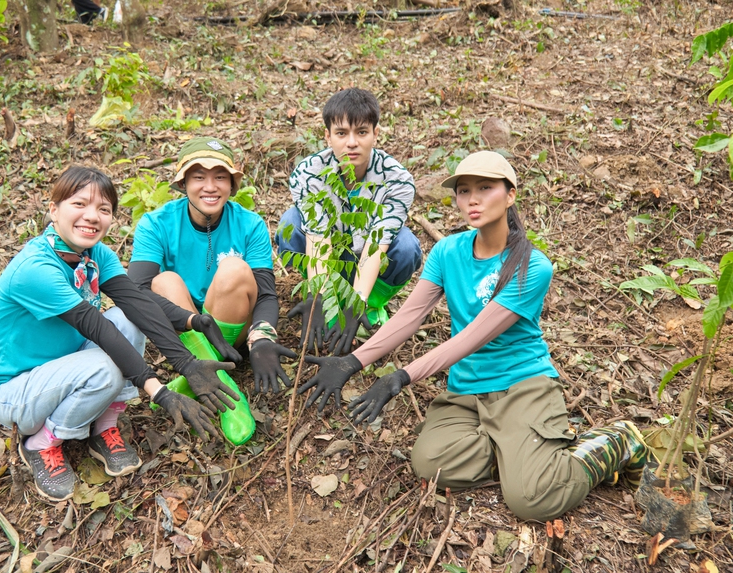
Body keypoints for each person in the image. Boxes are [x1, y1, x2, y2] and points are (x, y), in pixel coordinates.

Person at [297, 151, 653, 522]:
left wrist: (401, 376)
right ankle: (519, 452)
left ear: (510, 194)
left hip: (521, 386)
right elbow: (409, 317)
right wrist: (352, 362)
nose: (473, 199)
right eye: (464, 191)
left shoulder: (532, 267)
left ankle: (617, 439)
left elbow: (470, 339)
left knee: (532, 500)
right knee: (430, 464)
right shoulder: (448, 251)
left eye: (485, 188)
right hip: (466, 393)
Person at [0, 166, 241, 502]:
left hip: (69, 368)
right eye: (80, 204)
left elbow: (138, 302)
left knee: (128, 318)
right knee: (105, 366)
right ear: (53, 209)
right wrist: (159, 392)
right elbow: (97, 328)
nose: (92, 217)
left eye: (103, 210)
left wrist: (194, 329)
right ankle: (41, 442)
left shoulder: (94, 254)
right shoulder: (36, 269)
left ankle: (103, 424)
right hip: (17, 393)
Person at [129, 137, 296, 397]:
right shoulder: (156, 223)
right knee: (164, 281)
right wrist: (194, 320)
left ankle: (206, 369)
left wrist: (262, 338)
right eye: (198, 177)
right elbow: (136, 291)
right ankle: (202, 367)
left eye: (220, 177)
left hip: (232, 327)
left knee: (234, 268)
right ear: (183, 184)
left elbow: (265, 293)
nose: (210, 187)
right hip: (186, 329)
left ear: (231, 184)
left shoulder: (249, 224)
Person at [275, 87, 422, 355]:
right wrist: (318, 297)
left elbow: (379, 243)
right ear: (328, 136)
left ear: (376, 134)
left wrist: (357, 302)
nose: (351, 143)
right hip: (328, 258)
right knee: (290, 225)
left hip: (371, 260)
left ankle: (371, 304)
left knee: (407, 246)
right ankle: (332, 300)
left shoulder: (398, 180)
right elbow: (317, 236)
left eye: (362, 132)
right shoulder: (308, 174)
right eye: (341, 133)